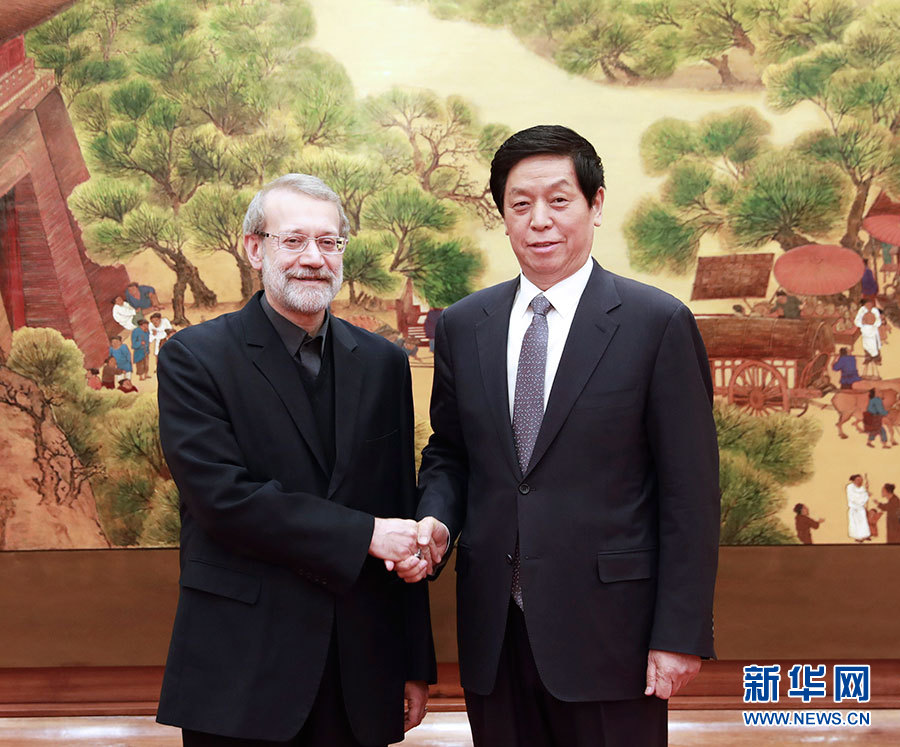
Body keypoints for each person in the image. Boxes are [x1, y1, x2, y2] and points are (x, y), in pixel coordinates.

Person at [397, 126, 720, 747]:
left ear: (595, 205)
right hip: (495, 633)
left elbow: (691, 493)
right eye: (520, 204)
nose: (539, 220)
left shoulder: (656, 324)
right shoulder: (464, 325)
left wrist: (679, 633)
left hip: (613, 636)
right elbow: (451, 453)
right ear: (503, 216)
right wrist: (436, 519)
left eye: (559, 200)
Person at [155, 174, 435, 746]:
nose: (313, 258)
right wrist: (365, 535)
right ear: (255, 249)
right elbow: (223, 501)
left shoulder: (383, 363)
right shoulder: (195, 358)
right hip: (242, 669)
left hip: (362, 670)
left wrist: (414, 661)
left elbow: (399, 507)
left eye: (329, 242)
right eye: (294, 240)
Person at [854, 300, 883, 365]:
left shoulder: (875, 311)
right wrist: (862, 322)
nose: (869, 307)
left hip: (873, 331)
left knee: (875, 346)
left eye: (870, 305)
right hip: (865, 331)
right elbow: (856, 321)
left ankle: (877, 359)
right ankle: (868, 358)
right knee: (866, 346)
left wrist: (873, 322)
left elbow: (878, 321)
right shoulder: (861, 310)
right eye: (867, 305)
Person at [847, 474, 871, 543]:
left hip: (861, 509)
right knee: (857, 524)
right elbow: (856, 499)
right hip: (854, 509)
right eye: (858, 480)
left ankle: (865, 536)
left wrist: (866, 492)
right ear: (853, 480)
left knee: (863, 523)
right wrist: (866, 495)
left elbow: (863, 496)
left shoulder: (862, 488)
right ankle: (858, 538)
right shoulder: (850, 487)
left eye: (861, 480)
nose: (860, 481)